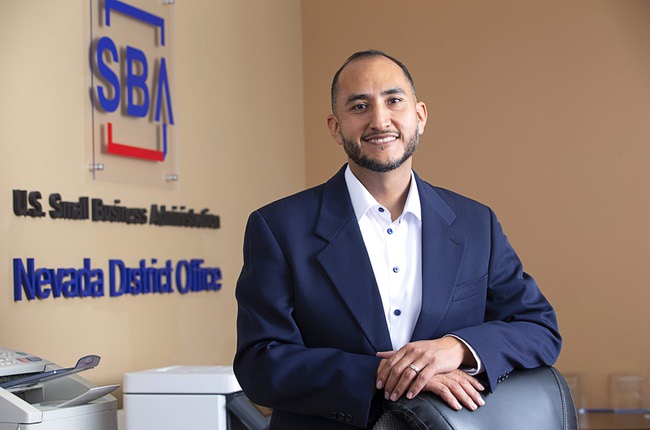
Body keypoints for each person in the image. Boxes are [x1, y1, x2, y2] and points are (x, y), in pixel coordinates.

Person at [233, 49, 561, 430]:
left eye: (393, 101)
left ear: (419, 115)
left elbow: (539, 327)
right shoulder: (277, 227)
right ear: (336, 128)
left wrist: (456, 348)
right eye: (359, 106)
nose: (379, 119)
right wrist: (386, 373)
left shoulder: (475, 223)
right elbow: (260, 363)